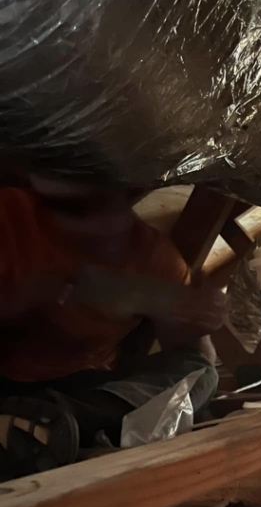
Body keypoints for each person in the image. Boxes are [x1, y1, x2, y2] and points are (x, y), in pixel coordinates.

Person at [0, 175, 226, 480]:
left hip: (85, 395)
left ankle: (55, 424)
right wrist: (64, 289)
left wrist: (194, 319)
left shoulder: (154, 257)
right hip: (7, 381)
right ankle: (46, 430)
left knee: (198, 372)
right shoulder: (11, 214)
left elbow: (196, 365)